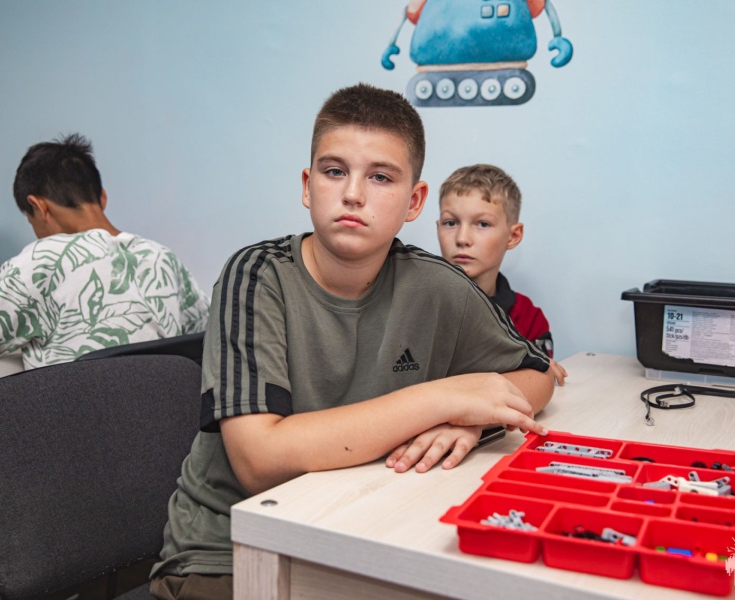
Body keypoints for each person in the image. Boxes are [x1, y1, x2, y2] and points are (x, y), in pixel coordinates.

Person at [149, 83, 556, 600]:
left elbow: (538, 373)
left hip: (364, 526)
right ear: (307, 185)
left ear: (414, 201)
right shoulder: (255, 276)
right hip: (230, 551)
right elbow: (259, 460)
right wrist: (441, 399)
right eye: (334, 171)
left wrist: (470, 421)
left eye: (380, 177)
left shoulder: (435, 284)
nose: (353, 194)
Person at [0, 133, 210, 369]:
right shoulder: (161, 257)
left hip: (77, 423)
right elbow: (206, 333)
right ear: (102, 197)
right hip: (164, 420)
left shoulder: (42, 261)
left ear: (39, 207)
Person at [436, 163, 555, 357]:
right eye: (450, 223)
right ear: (438, 227)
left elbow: (542, 374)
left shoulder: (529, 319)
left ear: (513, 236)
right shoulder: (413, 306)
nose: (462, 239)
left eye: (483, 224)